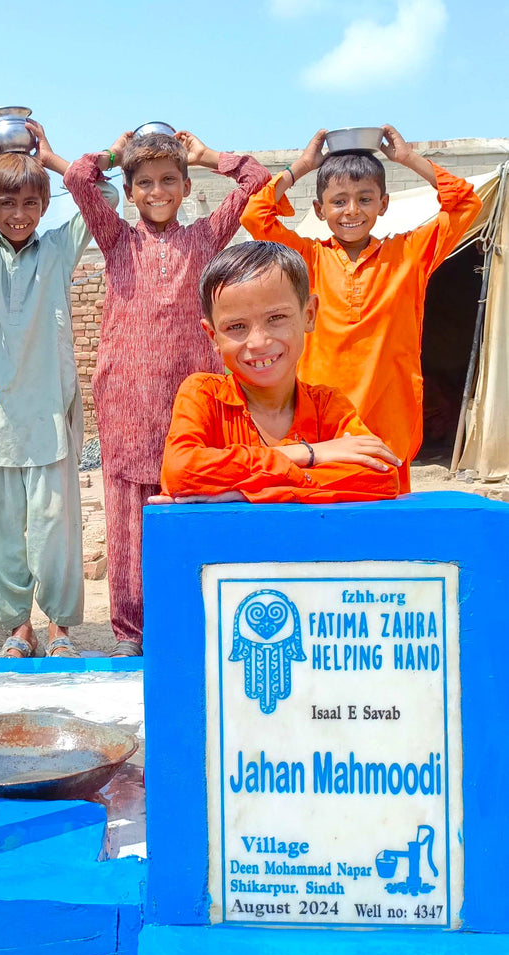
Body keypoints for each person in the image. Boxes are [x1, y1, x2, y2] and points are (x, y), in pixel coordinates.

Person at [63, 130, 271, 655]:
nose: (158, 192)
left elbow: (256, 179)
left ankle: (184, 615)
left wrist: (206, 156)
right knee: (128, 512)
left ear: (184, 186)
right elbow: (77, 177)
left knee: (187, 502)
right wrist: (115, 153)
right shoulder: (116, 239)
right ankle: (131, 632)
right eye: (146, 183)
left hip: (189, 402)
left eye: (169, 181)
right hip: (126, 398)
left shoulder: (204, 238)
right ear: (129, 192)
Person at [0, 121, 119, 659]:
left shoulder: (60, 250)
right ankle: (17, 630)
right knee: (1, 538)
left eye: (28, 203)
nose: (18, 214)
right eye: (5, 203)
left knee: (55, 534)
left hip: (48, 417)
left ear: (44, 206)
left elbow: (105, 195)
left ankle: (61, 629)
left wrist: (52, 159)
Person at [240, 125, 482, 493]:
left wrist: (406, 158)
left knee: (387, 529)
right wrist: (302, 166)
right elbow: (256, 216)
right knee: (325, 522)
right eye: (338, 201)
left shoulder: (409, 255)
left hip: (389, 420)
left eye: (365, 199)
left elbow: (465, 202)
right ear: (319, 210)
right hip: (323, 422)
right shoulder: (307, 260)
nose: (351, 211)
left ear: (383, 204)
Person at [160, 241, 400, 504]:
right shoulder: (203, 394)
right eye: (236, 326)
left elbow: (382, 476)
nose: (259, 342)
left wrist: (244, 494)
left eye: (276, 318)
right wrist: (308, 454)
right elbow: (180, 471)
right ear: (212, 335)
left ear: (309, 315)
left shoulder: (329, 406)